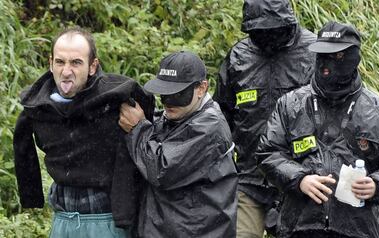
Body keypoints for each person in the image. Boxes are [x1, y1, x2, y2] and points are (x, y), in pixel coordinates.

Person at [256, 21, 379, 238]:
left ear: (353, 58)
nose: (326, 64)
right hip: (298, 227)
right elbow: (268, 153)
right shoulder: (290, 104)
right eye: (322, 55)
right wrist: (299, 179)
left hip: (359, 229)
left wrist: (377, 186)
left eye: (337, 56)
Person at [13, 27, 154, 237]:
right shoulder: (38, 105)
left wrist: (140, 126)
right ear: (51, 63)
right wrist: (31, 195)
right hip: (63, 220)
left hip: (107, 221)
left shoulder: (118, 98)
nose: (66, 71)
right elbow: (22, 147)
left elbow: (149, 139)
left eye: (76, 62)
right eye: (60, 62)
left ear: (92, 66)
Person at [213, 0, 316, 236]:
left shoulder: (313, 52)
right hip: (249, 177)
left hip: (300, 177)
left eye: (274, 29)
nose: (267, 36)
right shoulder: (238, 56)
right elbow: (220, 117)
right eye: (260, 31)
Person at [118, 51, 238, 238]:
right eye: (164, 94)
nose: (168, 102)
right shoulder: (176, 116)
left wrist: (138, 128)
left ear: (202, 88)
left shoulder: (209, 126)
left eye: (178, 94)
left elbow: (161, 170)